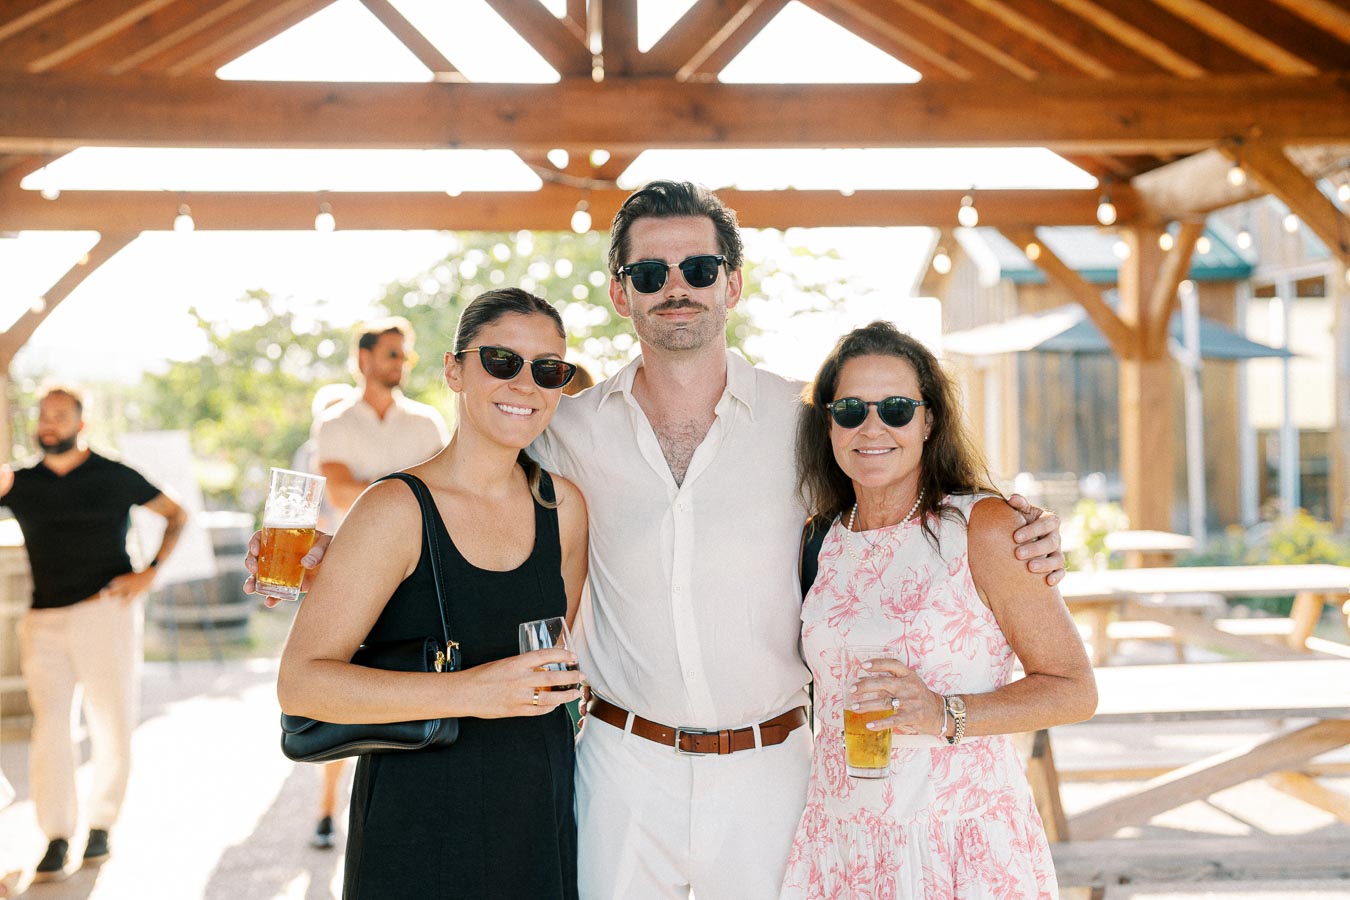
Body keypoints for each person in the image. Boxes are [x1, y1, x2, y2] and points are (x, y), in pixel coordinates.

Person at [251, 181, 1066, 898]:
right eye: (650, 273)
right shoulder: (558, 422)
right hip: (619, 765)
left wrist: (1027, 530)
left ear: (733, 283)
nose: (676, 287)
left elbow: (903, 488)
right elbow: (456, 495)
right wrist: (338, 556)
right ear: (620, 293)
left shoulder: (805, 421)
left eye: (699, 269)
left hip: (772, 768)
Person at [275, 289, 589, 898]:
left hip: (536, 804)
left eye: (548, 369)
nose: (524, 383)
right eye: (501, 361)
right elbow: (301, 683)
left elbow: (556, 653)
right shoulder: (394, 508)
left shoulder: (565, 507)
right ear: (454, 370)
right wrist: (472, 690)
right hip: (418, 818)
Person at [780, 322, 1097, 897]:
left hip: (958, 844)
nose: (872, 427)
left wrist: (943, 713)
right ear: (827, 422)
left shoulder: (986, 527)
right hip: (840, 844)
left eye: (897, 408)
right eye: (850, 409)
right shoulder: (817, 538)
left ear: (929, 421)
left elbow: (1074, 688)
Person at [0, 386, 187, 882]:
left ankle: (101, 824)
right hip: (42, 619)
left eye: (59, 416)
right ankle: (56, 836)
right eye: (43, 415)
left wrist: (151, 571)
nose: (49, 423)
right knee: (51, 729)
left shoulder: (113, 473)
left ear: (81, 424)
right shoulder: (18, 481)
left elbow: (176, 514)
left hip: (106, 610)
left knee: (111, 722)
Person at [306, 320, 449, 850]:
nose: (400, 363)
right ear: (364, 358)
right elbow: (340, 491)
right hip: (352, 573)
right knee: (342, 689)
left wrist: (387, 495)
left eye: (405, 356)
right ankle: (326, 811)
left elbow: (445, 492)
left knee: (416, 685)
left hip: (424, 571)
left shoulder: (428, 422)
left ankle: (411, 811)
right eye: (392, 353)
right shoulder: (336, 422)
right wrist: (405, 494)